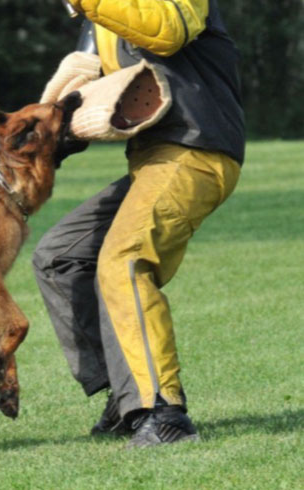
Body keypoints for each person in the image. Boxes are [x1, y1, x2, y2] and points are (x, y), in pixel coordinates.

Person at [32, 0, 245, 447]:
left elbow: (165, 31)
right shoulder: (101, 18)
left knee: (125, 257)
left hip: (197, 151)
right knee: (62, 255)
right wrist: (34, 137)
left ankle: (166, 415)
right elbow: (80, 79)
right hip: (151, 161)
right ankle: (128, 395)